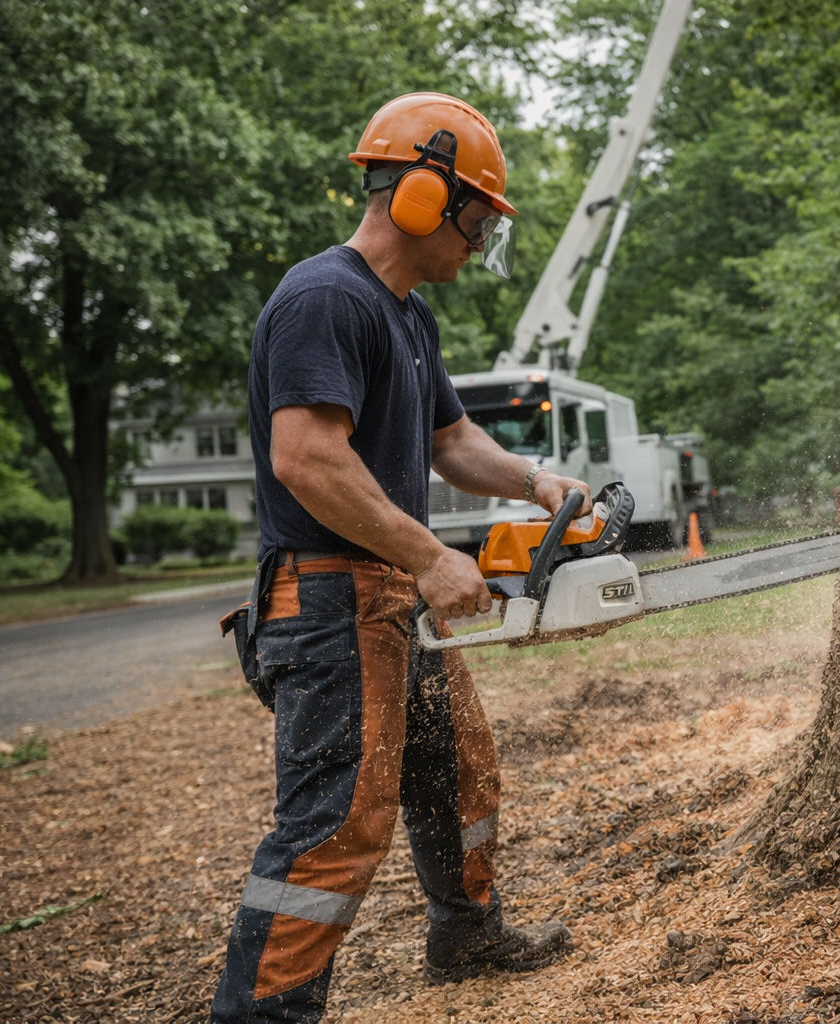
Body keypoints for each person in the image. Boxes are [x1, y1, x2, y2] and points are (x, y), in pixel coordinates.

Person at [211, 92, 584, 1024]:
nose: (476, 242)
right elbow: (305, 456)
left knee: (458, 769)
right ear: (423, 195)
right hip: (332, 603)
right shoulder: (324, 298)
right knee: (336, 826)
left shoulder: (406, 316)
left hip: (387, 599)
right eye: (475, 219)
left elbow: (452, 444)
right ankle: (262, 1014)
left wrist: (535, 482)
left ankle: (468, 935)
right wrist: (428, 554)